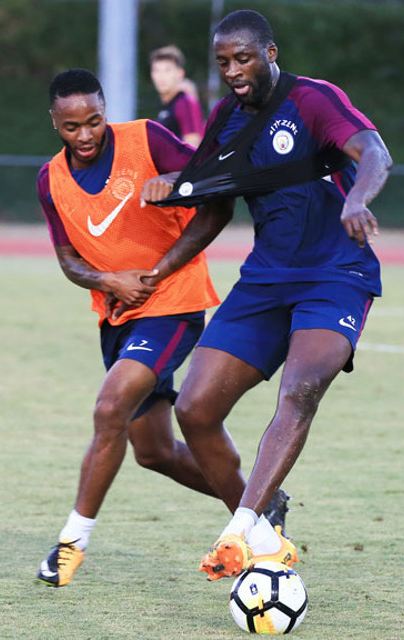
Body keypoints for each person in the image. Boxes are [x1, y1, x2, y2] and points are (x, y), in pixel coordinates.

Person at [135, 9, 392, 582]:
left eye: (243, 58)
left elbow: (375, 152)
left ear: (270, 54)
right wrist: (162, 259)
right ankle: (264, 518)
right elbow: (212, 203)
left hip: (336, 274)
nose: (233, 70)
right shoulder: (227, 118)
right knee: (194, 410)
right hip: (264, 281)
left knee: (299, 390)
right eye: (223, 62)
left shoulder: (314, 100)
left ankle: (242, 530)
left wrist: (357, 200)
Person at [34, 68, 258, 588]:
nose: (85, 135)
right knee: (153, 451)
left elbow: (217, 198)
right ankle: (261, 505)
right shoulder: (51, 180)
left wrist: (159, 265)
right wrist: (108, 279)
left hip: (173, 305)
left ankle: (71, 544)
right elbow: (68, 260)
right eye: (71, 127)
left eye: (93, 121)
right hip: (117, 319)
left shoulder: (147, 139)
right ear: (54, 123)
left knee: (109, 406)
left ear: (104, 108)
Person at [150, 45, 204, 147]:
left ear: (180, 73)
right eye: (157, 70)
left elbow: (193, 147)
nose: (162, 76)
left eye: (167, 70)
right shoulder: (166, 104)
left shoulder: (185, 102)